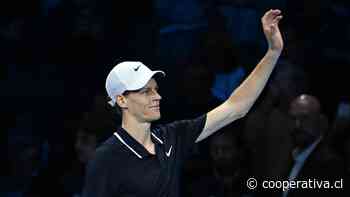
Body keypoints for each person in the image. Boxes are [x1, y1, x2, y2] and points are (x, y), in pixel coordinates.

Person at [82, 9, 284, 197]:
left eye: (156, 89)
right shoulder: (106, 159)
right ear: (122, 100)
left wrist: (273, 52)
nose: (157, 96)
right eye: (146, 92)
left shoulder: (172, 137)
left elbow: (236, 107)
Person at [282, 94, 346, 197]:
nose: (297, 125)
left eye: (304, 118)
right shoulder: (290, 156)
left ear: (320, 121)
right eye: (293, 118)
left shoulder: (331, 164)